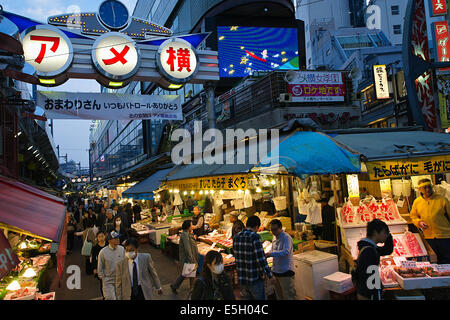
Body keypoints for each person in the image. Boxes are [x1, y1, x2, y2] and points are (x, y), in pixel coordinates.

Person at [410, 178, 450, 264]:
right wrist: (419, 222)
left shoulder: (442, 200)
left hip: (445, 236)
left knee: (447, 261)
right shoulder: (417, 202)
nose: (427, 190)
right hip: (429, 237)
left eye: (429, 187)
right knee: (434, 262)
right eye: (424, 188)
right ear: (420, 189)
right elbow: (413, 217)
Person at [233, 216, 273, 300]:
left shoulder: (236, 237)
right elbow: (260, 259)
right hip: (255, 279)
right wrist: (270, 275)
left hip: (242, 278)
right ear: (256, 227)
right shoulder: (255, 237)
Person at [354, 219, 393, 300]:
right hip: (368, 295)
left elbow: (387, 250)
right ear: (375, 233)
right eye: (385, 232)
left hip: (363, 291)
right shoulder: (369, 251)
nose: (386, 235)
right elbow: (370, 278)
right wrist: (377, 291)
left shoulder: (367, 246)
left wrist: (389, 236)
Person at [265, 219, 297, 300]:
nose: (273, 232)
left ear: (280, 228)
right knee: (279, 295)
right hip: (276, 270)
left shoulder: (286, 237)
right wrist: (267, 252)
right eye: (271, 230)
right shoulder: (274, 237)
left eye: (275, 230)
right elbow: (273, 249)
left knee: (289, 295)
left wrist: (270, 254)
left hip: (285, 270)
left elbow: (285, 252)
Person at [170, 220, 199, 294]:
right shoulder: (185, 235)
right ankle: (175, 286)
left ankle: (192, 288)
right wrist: (192, 260)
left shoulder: (187, 234)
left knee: (191, 274)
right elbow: (187, 248)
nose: (192, 226)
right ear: (188, 227)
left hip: (190, 257)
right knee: (185, 274)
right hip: (188, 258)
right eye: (191, 225)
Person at [97, 231, 126, 300]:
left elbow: (125, 263)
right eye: (115, 238)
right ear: (110, 241)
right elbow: (100, 267)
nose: (118, 239)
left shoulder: (122, 249)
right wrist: (103, 278)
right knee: (110, 298)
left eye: (118, 237)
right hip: (108, 280)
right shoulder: (103, 252)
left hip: (120, 279)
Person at [92, 231, 107, 299]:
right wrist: (95, 268)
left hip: (109, 265)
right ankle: (104, 296)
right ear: (97, 238)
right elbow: (93, 259)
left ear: (105, 236)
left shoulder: (108, 245)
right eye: (99, 237)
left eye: (102, 236)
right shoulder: (95, 248)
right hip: (100, 266)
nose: (101, 238)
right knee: (102, 283)